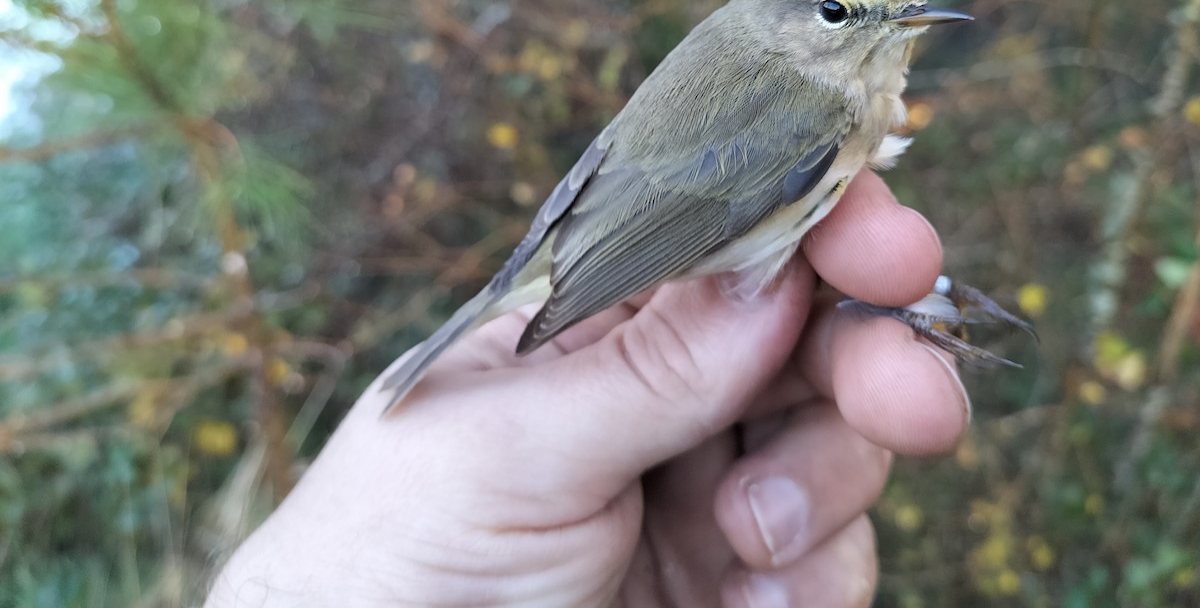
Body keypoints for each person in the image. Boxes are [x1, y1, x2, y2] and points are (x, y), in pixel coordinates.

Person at [206, 172, 970, 607]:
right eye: (839, 14)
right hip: (619, 248)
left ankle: (907, 302)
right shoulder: (812, 105)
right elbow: (692, 228)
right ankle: (908, 303)